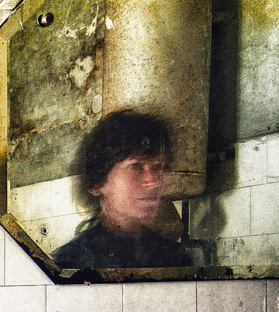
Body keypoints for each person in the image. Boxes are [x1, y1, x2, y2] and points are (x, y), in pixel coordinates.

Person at [51, 110, 208, 270]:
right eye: (136, 167)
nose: (152, 181)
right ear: (96, 183)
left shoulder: (175, 257)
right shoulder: (69, 264)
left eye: (157, 167)